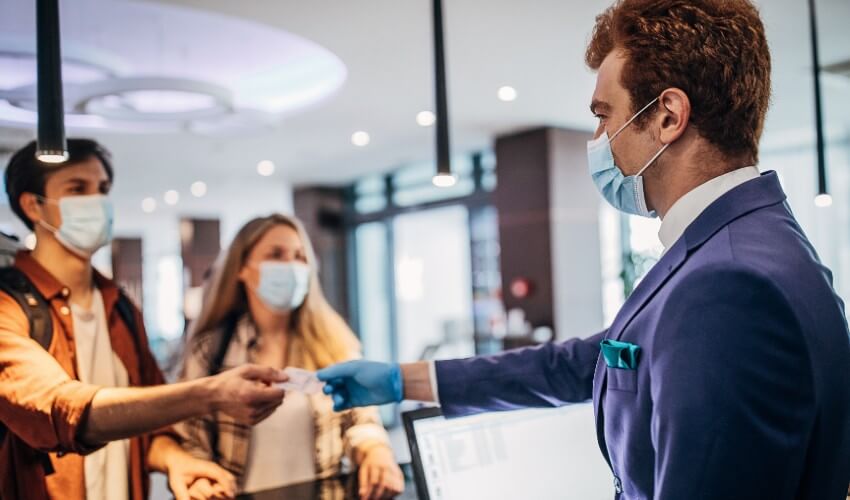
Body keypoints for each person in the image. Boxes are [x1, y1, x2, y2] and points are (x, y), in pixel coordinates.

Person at [317, 1, 850, 498]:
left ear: (667, 116)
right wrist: (400, 379)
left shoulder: (729, 282)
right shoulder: (745, 244)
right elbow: (584, 364)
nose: (598, 137)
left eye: (604, 114)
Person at [0, 139, 288, 500]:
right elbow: (57, 411)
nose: (98, 201)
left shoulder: (118, 305)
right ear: (33, 205)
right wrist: (208, 395)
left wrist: (176, 460)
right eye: (78, 189)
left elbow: (148, 428)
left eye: (103, 189)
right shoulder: (8, 304)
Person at [177, 214, 403, 499]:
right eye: (276, 255)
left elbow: (361, 422)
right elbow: (190, 439)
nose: (292, 266)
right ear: (242, 269)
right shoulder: (211, 352)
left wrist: (376, 451)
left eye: (299, 256)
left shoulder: (333, 344)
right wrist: (198, 476)